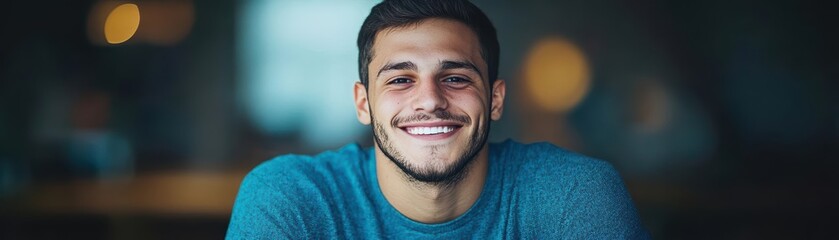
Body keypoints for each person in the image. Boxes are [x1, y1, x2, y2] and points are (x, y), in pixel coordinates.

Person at [227, 0, 648, 238]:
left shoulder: (574, 194)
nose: (430, 99)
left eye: (456, 77)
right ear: (363, 104)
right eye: (400, 79)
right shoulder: (291, 200)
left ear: (496, 99)